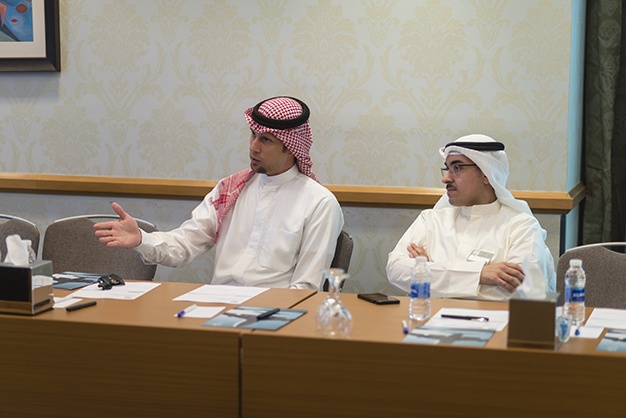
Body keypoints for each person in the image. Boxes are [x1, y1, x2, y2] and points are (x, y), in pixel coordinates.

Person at [94, 96, 344, 290]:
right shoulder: (231, 188)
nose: (253, 147)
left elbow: (306, 288)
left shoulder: (319, 203)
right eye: (253, 135)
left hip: (275, 316)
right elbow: (185, 244)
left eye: (266, 140)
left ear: (290, 147)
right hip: (218, 306)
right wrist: (141, 239)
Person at [386, 134, 556, 300]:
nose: (445, 178)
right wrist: (481, 274)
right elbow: (396, 269)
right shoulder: (430, 220)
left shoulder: (522, 226)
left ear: (486, 174)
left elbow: (522, 293)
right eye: (447, 168)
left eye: (457, 168)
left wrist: (429, 273)